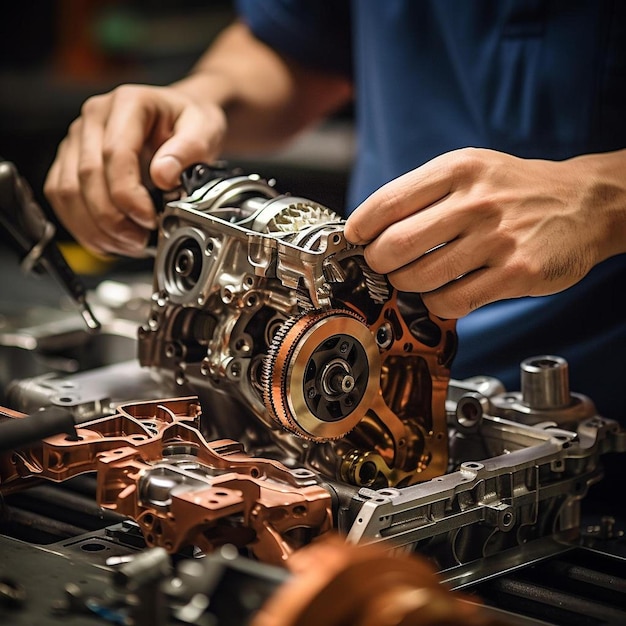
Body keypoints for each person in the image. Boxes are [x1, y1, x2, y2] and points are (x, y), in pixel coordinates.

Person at [44, 1, 626, 421]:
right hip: (358, 340)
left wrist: (603, 195)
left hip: (596, 397)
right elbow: (298, 46)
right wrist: (202, 98)